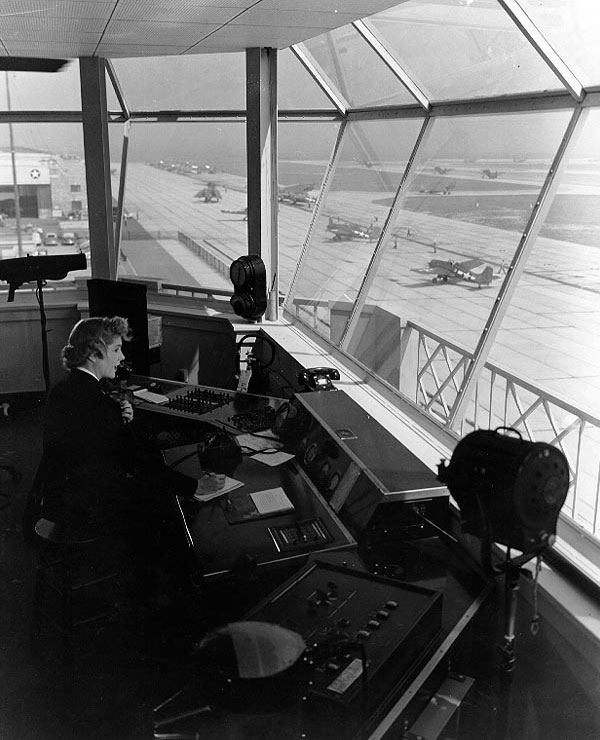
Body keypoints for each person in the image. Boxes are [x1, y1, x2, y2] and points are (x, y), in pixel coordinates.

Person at [41, 316, 225, 613]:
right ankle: (164, 605)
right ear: (94, 353)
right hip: (86, 506)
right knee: (171, 513)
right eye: (115, 350)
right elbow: (136, 461)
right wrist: (193, 485)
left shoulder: (64, 391)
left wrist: (119, 416)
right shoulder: (98, 405)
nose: (122, 356)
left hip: (60, 495)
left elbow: (98, 440)